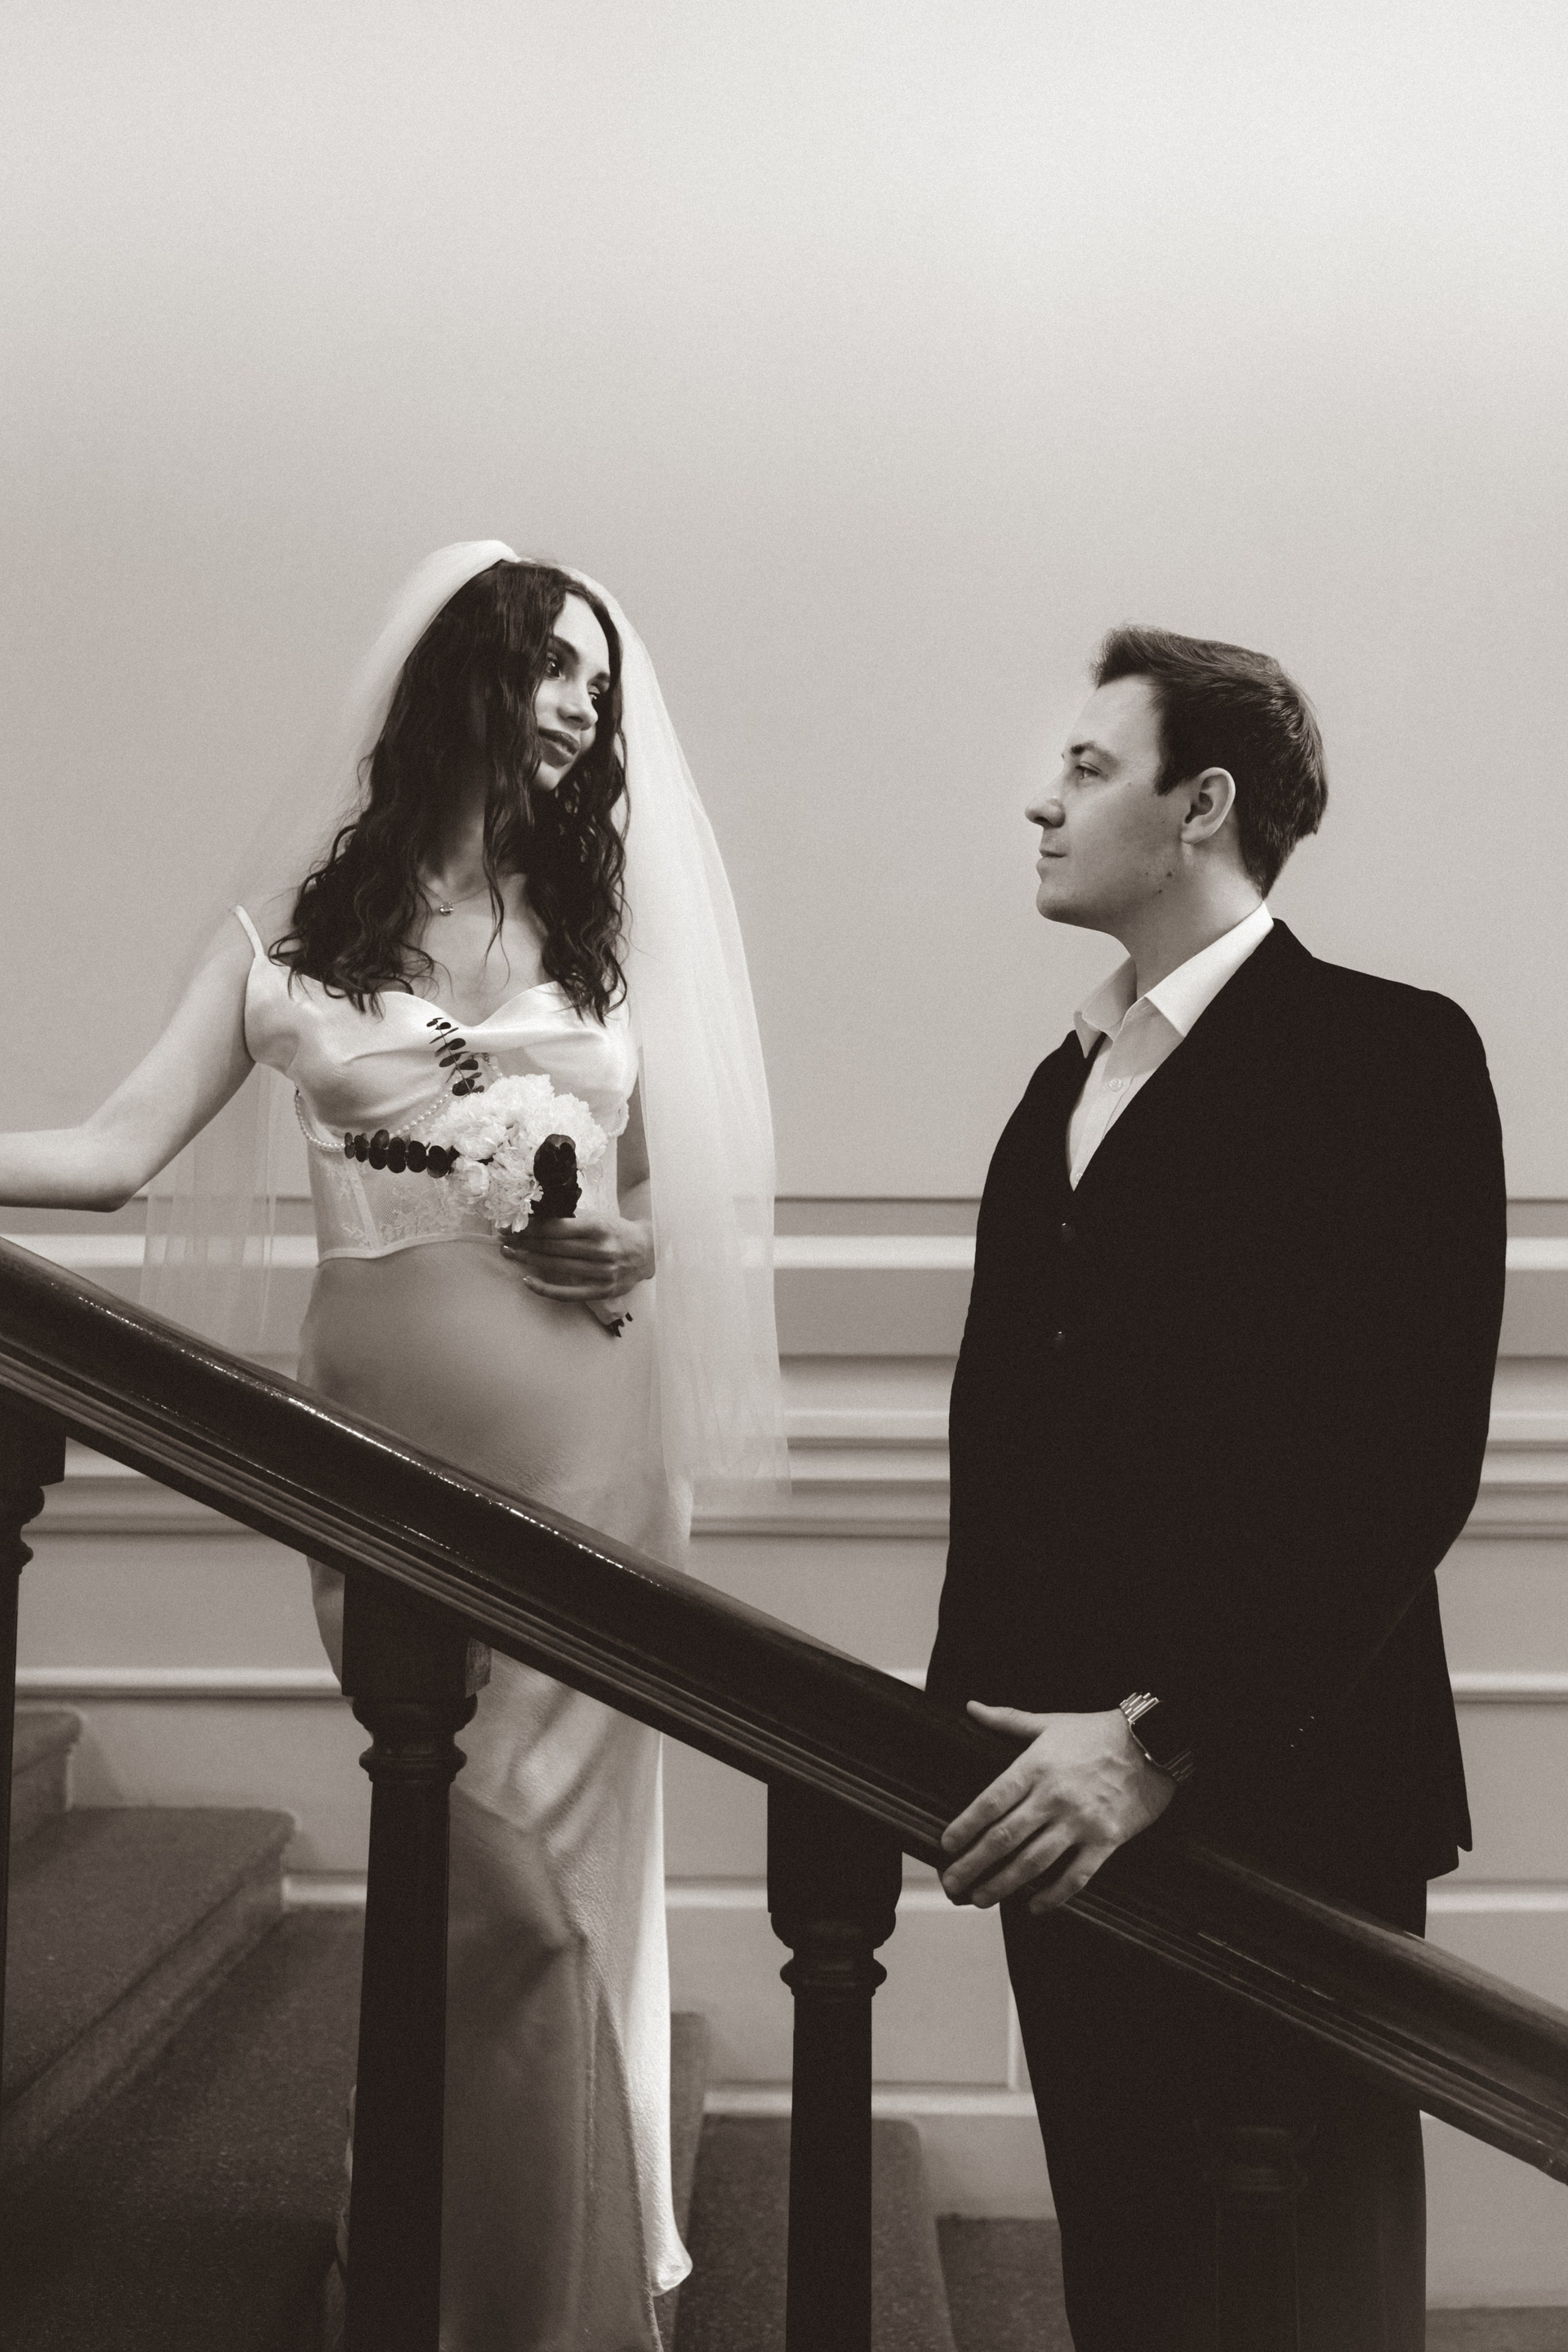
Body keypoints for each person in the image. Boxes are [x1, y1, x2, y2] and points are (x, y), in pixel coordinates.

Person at [0, 543, 786, 2350]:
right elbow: (111, 1152)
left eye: (600, 683)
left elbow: (647, 1193)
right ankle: (449, 2249)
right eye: (554, 669)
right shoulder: (293, 942)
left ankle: (537, 2298)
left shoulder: (598, 932)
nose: (585, 707)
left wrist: (626, 1244)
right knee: (460, 1848)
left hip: (589, 1440)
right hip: (373, 1451)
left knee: (554, 1878)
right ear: (462, 679)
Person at [928, 626, 1506, 2350]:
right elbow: (1010, 1440)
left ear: (1204, 806)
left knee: (1303, 2296)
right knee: (1135, 2281)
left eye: (1089, 768)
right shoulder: (1063, 1084)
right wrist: (963, 1727)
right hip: (1054, 1795)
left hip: (1285, 1798)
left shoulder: (1389, 1053)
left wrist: (1161, 1736)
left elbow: (1404, 1461)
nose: (1042, 803)